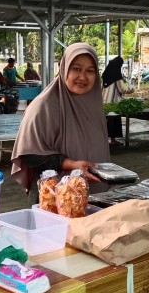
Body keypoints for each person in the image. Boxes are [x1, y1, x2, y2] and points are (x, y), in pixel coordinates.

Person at [11, 43, 110, 198]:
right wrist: (71, 164)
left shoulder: (93, 106)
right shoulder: (44, 105)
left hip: (93, 196)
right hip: (54, 199)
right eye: (76, 69)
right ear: (64, 69)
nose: (83, 77)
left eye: (90, 71)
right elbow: (29, 155)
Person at [102, 56, 132, 146]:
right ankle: (113, 140)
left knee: (106, 122)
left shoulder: (105, 75)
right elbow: (121, 90)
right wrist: (130, 91)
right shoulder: (117, 76)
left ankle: (103, 140)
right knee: (113, 122)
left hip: (104, 102)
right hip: (114, 103)